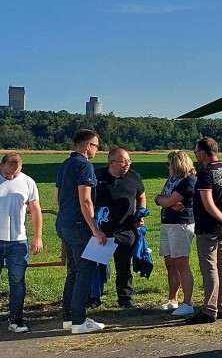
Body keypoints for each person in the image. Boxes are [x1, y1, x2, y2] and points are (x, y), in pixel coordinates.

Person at [54, 129, 107, 334]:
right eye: (95, 146)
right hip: (79, 225)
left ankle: (68, 316)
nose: (96, 150)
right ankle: (79, 320)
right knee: (85, 271)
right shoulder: (85, 166)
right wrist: (95, 229)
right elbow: (85, 200)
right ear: (87, 146)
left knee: (74, 270)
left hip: (64, 223)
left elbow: (57, 197)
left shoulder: (65, 164)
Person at [187, 137, 222, 324]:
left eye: (196, 152)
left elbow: (208, 203)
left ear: (203, 153)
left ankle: (210, 309)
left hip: (209, 226)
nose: (196, 156)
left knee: (210, 267)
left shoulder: (206, 174)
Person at [94, 147, 146, 309]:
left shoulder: (134, 177)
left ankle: (125, 299)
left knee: (123, 267)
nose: (127, 164)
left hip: (125, 229)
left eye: (129, 161)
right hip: (102, 230)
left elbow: (141, 196)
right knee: (97, 266)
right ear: (111, 162)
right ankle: (93, 297)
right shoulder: (98, 176)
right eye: (123, 161)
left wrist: (140, 213)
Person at [0, 153, 43, 333]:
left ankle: (16, 318)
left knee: (17, 281)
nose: (12, 176)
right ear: (2, 166)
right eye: (9, 173)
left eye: (16, 173)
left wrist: (37, 236)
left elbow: (35, 209)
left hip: (18, 240)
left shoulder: (28, 182)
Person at [153, 150, 197, 317]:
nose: (167, 167)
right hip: (168, 222)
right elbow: (163, 199)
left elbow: (168, 199)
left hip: (181, 225)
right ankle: (173, 299)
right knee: (170, 263)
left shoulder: (189, 181)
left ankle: (188, 302)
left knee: (181, 263)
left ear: (177, 164)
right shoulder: (173, 180)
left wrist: (165, 201)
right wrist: (164, 201)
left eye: (168, 163)